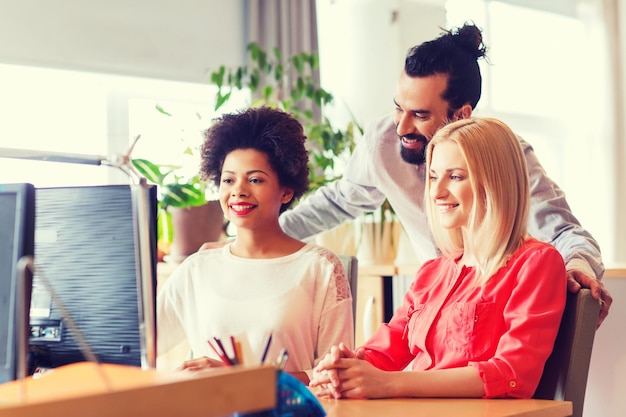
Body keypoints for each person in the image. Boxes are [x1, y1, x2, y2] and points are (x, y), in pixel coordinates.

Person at [277, 23, 611, 326]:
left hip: (495, 319)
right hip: (433, 310)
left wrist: (576, 268)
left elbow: (566, 233)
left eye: (420, 114)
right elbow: (339, 201)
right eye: (398, 107)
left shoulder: (506, 158)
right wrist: (264, 232)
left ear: (462, 114)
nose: (402, 127)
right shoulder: (383, 143)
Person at [308, 117, 567, 399]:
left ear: (495, 181)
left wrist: (390, 383)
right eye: (433, 176)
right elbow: (385, 351)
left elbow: (512, 374)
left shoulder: (536, 263)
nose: (435, 192)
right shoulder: (433, 271)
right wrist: (346, 368)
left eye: (454, 176)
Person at [157, 106, 354, 383]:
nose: (238, 190)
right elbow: (142, 346)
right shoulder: (197, 269)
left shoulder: (320, 268)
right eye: (229, 180)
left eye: (255, 179)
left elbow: (335, 375)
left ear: (286, 190)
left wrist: (243, 379)